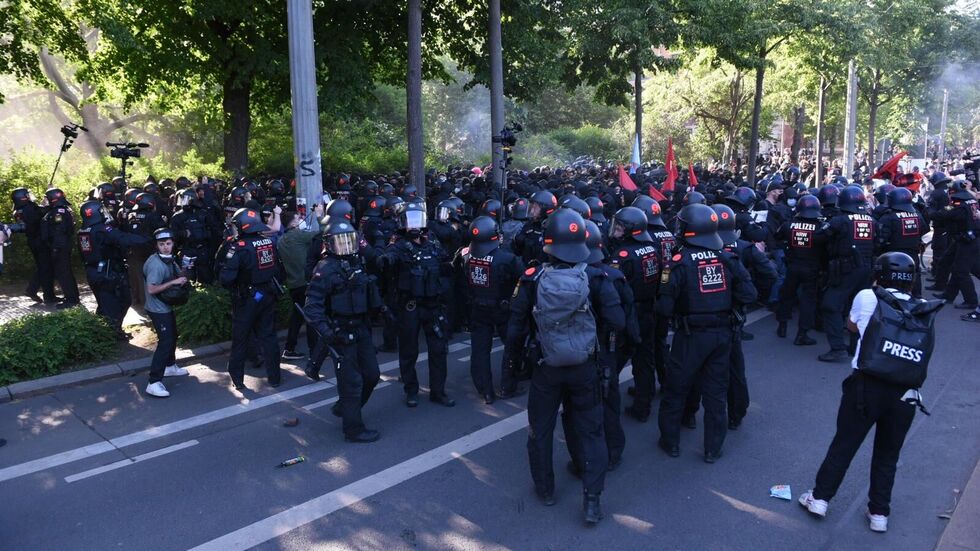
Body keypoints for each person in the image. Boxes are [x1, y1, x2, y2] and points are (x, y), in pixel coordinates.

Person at [800, 252, 938, 533]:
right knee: (888, 453)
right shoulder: (923, 307)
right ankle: (879, 513)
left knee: (845, 444)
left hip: (866, 385)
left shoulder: (867, 296)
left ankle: (820, 499)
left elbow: (852, 326)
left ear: (879, 273)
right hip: (905, 392)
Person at [506, 207, 625, 525]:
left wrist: (513, 366)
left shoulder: (532, 279)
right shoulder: (596, 276)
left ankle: (545, 490)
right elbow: (617, 320)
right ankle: (592, 501)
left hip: (545, 367)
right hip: (585, 367)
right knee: (591, 431)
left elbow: (515, 327)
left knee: (540, 430)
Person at [656, 204, 757, 463]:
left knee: (676, 388)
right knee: (716, 393)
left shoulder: (677, 264)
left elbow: (664, 307)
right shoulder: (728, 258)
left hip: (690, 336)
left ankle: (671, 442)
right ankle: (712, 449)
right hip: (723, 335)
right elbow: (749, 294)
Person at [304, 220, 383, 443]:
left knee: (372, 375)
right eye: (340, 242)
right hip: (340, 332)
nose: (346, 246)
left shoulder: (357, 262)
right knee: (351, 384)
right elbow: (313, 307)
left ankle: (345, 407)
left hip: (361, 328)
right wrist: (326, 332)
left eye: (349, 241)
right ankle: (353, 429)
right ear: (329, 244)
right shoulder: (324, 268)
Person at [379, 202, 455, 408]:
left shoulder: (433, 244)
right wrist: (384, 260)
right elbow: (388, 259)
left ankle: (438, 391)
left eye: (416, 220)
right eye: (409, 220)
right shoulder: (399, 246)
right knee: (408, 351)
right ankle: (411, 390)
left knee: (439, 349)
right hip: (410, 306)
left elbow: (446, 264)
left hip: (433, 305)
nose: (413, 225)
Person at [456, 215, 524, 403]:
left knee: (479, 349)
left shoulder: (466, 256)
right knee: (511, 348)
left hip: (477, 309)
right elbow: (524, 280)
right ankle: (508, 386)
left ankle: (485, 390)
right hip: (503, 310)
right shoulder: (507, 258)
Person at [220, 208, 286, 391]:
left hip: (247, 298)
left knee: (241, 338)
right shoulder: (269, 242)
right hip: (268, 294)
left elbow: (226, 278)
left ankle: (238, 379)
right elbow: (280, 272)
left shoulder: (238, 247)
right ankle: (275, 377)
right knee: (269, 337)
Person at [816, 185, 876, 362]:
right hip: (867, 268)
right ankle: (854, 345)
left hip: (845, 269)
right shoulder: (872, 220)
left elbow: (819, 237)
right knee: (856, 306)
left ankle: (837, 348)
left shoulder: (840, 220)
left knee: (830, 305)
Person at [77, 199, 150, 339]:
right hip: (108, 272)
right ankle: (112, 335)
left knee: (104, 305)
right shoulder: (102, 229)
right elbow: (123, 238)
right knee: (117, 303)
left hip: (93, 271)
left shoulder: (83, 231)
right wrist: (148, 239)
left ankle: (102, 332)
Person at [143, 228, 190, 398]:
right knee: (166, 341)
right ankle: (153, 382)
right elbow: (152, 288)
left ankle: (170, 367)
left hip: (165, 306)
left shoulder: (169, 259)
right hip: (157, 308)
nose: (165, 247)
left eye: (168, 244)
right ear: (156, 245)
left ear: (172, 244)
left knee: (173, 335)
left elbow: (176, 276)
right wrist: (175, 282)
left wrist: (185, 271)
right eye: (161, 244)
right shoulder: (156, 264)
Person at [277, 208, 320, 360]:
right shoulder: (300, 235)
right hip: (306, 282)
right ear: (294, 222)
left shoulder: (281, 240)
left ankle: (289, 348)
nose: (301, 220)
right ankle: (315, 351)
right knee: (312, 317)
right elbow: (319, 235)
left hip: (293, 284)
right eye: (299, 218)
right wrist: (319, 216)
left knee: (297, 317)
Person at [10, 188, 58, 304]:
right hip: (39, 241)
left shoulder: (20, 209)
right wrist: (48, 204)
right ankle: (33, 290)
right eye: (27, 195)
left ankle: (48, 296)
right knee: (45, 267)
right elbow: (39, 214)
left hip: (34, 241)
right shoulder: (27, 209)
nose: (29, 196)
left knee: (45, 267)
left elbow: (37, 210)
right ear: (22, 197)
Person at [41, 188, 80, 308]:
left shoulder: (59, 212)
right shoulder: (59, 209)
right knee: (64, 272)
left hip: (60, 246)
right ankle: (72, 296)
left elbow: (59, 231)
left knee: (64, 273)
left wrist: (56, 247)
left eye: (47, 198)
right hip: (62, 245)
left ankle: (71, 299)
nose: (45, 201)